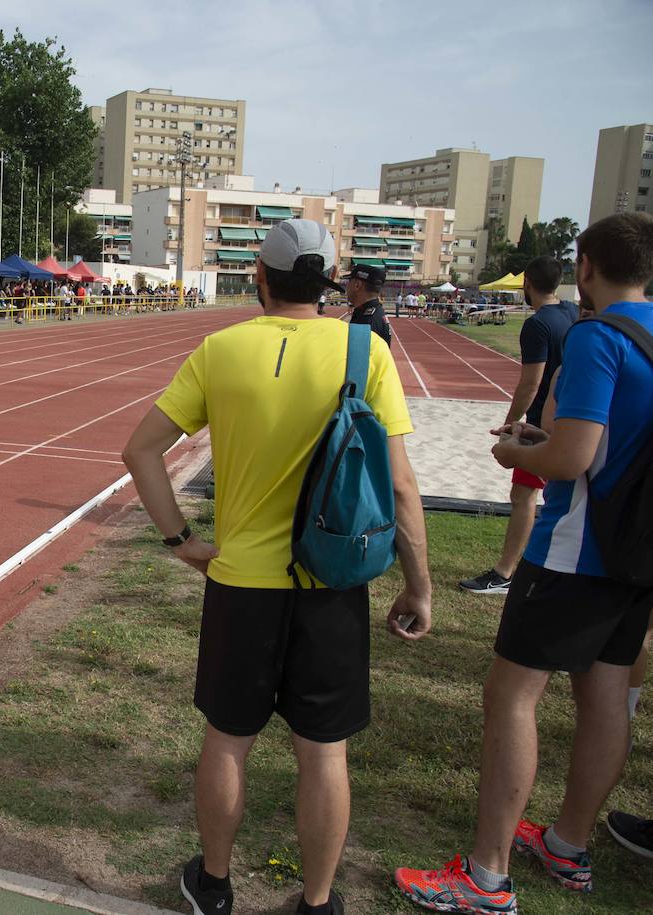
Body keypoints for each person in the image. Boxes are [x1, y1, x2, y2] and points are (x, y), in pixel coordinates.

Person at [123, 219, 430, 915]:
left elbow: (140, 452)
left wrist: (181, 540)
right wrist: (419, 583)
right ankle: (317, 902)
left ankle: (214, 883)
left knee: (228, 739)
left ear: (258, 276)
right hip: (333, 584)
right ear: (326, 282)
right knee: (323, 751)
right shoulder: (365, 349)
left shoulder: (221, 348)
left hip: (241, 583)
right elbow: (403, 486)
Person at [395, 212, 653, 914]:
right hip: (639, 554)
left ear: (588, 267)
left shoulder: (598, 337)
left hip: (574, 551)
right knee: (605, 698)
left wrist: (517, 453)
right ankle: (568, 846)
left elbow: (571, 460)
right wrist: (555, 438)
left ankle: (486, 874)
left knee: (512, 696)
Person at [459, 256, 577, 594]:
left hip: (541, 423)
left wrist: (511, 424)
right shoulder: (569, 313)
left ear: (526, 283)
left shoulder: (538, 325)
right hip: (567, 418)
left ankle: (505, 572)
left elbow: (531, 382)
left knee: (523, 495)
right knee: (553, 496)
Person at [345, 263, 392, 347]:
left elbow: (358, 357)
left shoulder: (367, 320)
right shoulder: (371, 312)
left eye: (349, 281)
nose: (347, 286)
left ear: (357, 285)